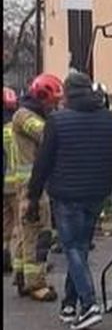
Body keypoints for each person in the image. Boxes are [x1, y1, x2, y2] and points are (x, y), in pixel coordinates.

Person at [27, 72, 112, 330]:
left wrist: (33, 197)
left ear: (69, 94)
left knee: (72, 247)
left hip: (66, 196)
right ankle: (69, 305)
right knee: (80, 248)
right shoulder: (111, 119)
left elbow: (43, 163)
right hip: (97, 195)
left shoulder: (58, 121)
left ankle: (89, 304)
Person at [12, 73, 63, 301]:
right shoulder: (24, 116)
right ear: (42, 95)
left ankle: (22, 276)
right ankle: (36, 284)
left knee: (25, 232)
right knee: (38, 232)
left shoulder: (29, 114)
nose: (55, 105)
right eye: (53, 101)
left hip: (32, 182)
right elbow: (46, 135)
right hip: (32, 184)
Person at [3, 87, 19, 273]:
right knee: (20, 227)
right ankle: (17, 264)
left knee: (5, 224)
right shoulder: (15, 128)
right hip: (15, 184)